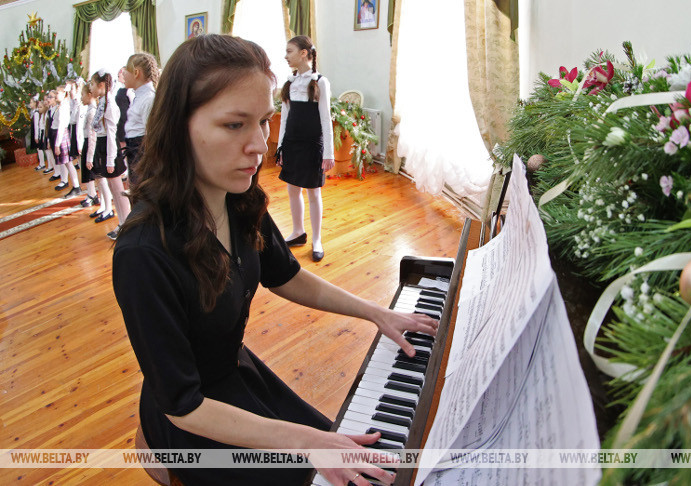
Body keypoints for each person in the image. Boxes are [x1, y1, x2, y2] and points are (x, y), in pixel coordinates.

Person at [112, 34, 436, 486]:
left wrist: (376, 313)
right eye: (234, 125)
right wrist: (304, 442)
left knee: (363, 464)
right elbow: (182, 405)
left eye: (264, 121)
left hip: (237, 376)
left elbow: (286, 275)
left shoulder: (240, 200)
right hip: (194, 418)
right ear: (179, 126)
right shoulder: (143, 253)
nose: (261, 145)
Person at [277, 35, 335, 262]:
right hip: (292, 143)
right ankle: (298, 231)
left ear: (303, 53)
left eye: (289, 51)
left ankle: (317, 239)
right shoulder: (290, 83)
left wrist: (328, 153)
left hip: (312, 145)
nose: (286, 56)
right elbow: (285, 118)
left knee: (313, 191)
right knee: (292, 189)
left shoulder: (320, 82)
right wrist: (281, 147)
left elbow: (325, 120)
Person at [87, 70, 129, 238]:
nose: (90, 87)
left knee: (118, 189)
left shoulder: (109, 105)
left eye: (92, 84)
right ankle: (122, 222)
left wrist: (111, 159)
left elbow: (111, 134)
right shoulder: (102, 102)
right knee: (113, 188)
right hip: (103, 146)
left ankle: (127, 223)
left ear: (101, 85)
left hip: (110, 148)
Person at [122, 53, 159, 186]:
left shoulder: (148, 99)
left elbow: (152, 137)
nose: (123, 73)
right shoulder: (138, 96)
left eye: (126, 69)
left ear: (136, 72)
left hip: (142, 157)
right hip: (135, 154)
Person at [51, 83, 83, 198]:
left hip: (62, 135)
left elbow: (61, 125)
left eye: (58, 93)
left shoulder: (64, 106)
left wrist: (57, 144)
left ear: (64, 93)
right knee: (67, 163)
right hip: (60, 135)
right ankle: (75, 185)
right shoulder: (61, 105)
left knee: (69, 163)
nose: (56, 95)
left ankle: (76, 186)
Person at [78, 84, 100, 208]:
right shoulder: (89, 110)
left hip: (90, 143)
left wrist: (90, 155)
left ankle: (93, 195)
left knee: (92, 172)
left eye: (82, 95)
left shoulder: (92, 111)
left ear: (89, 95)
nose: (81, 98)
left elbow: (92, 135)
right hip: (87, 141)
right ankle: (91, 194)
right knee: (87, 172)